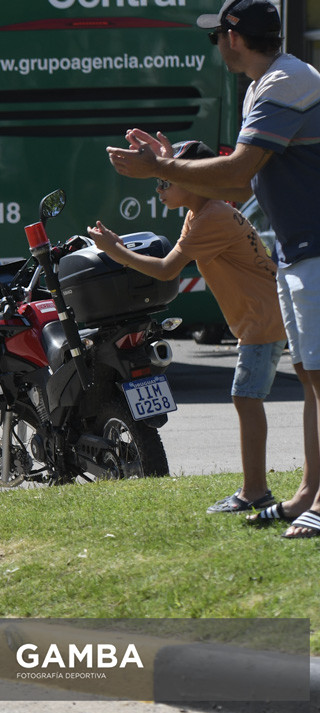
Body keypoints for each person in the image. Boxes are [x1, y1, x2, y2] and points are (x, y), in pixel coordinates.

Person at [107, 0, 320, 539]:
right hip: (299, 252)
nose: (216, 48)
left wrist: (160, 166)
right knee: (312, 380)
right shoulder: (263, 86)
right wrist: (170, 169)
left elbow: (239, 167)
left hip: (316, 250)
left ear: (234, 36)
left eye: (216, 38)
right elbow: (240, 186)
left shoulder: (286, 81)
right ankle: (307, 493)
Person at [91, 139, 288, 514]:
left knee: (247, 399)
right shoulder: (201, 212)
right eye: (159, 180)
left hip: (263, 319)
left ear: (194, 182)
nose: (160, 187)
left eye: (166, 181)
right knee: (247, 399)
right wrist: (165, 155)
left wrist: (116, 252)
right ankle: (255, 488)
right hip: (264, 316)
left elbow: (166, 269)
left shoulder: (210, 217)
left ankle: (255, 492)